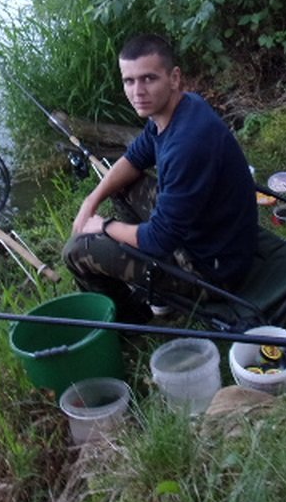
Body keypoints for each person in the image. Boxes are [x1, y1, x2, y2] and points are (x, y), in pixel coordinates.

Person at [63, 34, 258, 322]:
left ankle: (132, 322)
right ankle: (155, 288)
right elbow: (134, 157)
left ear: (174, 78)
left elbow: (159, 239)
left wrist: (103, 226)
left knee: (77, 251)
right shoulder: (179, 108)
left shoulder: (187, 145)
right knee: (120, 184)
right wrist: (91, 201)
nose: (137, 92)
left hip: (213, 272)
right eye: (129, 81)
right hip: (208, 234)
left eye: (148, 79)